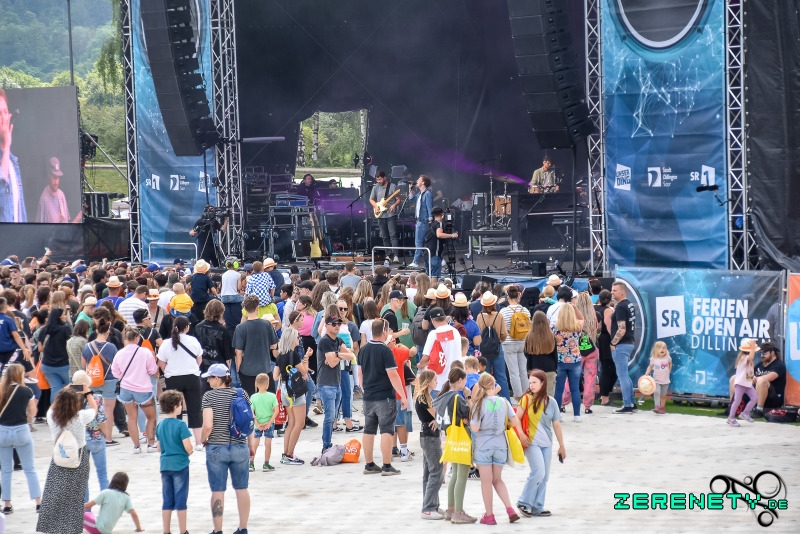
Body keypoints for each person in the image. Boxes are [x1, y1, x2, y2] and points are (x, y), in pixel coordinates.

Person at [200, 363, 253, 534]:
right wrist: (251, 445)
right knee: (242, 488)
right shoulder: (241, 393)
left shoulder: (209, 396)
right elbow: (250, 421)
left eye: (210, 378)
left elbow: (208, 425)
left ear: (217, 378)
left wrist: (202, 440)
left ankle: (218, 530)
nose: (208, 381)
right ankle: (243, 528)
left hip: (216, 448)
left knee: (218, 491)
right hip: (239, 446)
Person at [36, 387, 98, 534]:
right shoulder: (80, 417)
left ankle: (52, 527)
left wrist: (63, 391)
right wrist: (88, 393)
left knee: (55, 493)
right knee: (76, 496)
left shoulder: (52, 416)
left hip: (59, 457)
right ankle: (71, 528)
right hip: (79, 458)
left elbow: (51, 408)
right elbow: (94, 409)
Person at [469, 372, 526, 525]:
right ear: (493, 385)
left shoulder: (478, 404)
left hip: (484, 446)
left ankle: (489, 515)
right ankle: (510, 509)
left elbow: (475, 428)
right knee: (498, 480)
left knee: (486, 482)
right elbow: (514, 421)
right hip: (501, 445)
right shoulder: (503, 401)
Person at [358, 318, 408, 476]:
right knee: (386, 429)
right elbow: (393, 374)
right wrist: (403, 396)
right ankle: (387, 465)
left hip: (368, 396)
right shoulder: (385, 351)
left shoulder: (363, 350)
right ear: (385, 332)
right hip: (384, 396)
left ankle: (369, 464)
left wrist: (363, 388)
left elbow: (360, 373)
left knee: (369, 429)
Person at [515, 370, 565, 518]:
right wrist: (521, 434)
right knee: (538, 472)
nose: (531, 385)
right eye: (530, 382)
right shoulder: (526, 399)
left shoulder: (552, 402)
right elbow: (516, 419)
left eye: (534, 382)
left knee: (545, 477)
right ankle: (524, 502)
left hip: (547, 444)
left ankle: (537, 507)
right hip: (531, 442)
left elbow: (556, 425)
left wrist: (561, 446)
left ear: (543, 383)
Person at [432, 367, 476, 524]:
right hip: (462, 438)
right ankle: (458, 512)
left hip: (450, 437)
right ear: (460, 380)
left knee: (455, 475)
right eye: (465, 381)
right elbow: (471, 414)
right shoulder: (457, 397)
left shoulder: (442, 397)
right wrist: (468, 396)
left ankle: (450, 510)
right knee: (461, 475)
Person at [0, 363, 41, 514]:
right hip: (21, 429)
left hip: (3, 431)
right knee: (30, 468)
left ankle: (7, 504)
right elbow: (33, 412)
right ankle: (38, 502)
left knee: (6, 470)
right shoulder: (27, 391)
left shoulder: (1, 390)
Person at [157, 315, 204, 448]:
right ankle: (198, 442)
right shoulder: (193, 340)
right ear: (187, 327)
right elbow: (199, 360)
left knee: (173, 409)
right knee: (195, 409)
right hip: (191, 377)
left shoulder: (166, 343)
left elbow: (161, 362)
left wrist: (168, 372)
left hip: (173, 378)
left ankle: (176, 441)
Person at [111, 326, 159, 453]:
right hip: (143, 388)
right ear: (137, 338)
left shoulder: (119, 354)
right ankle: (151, 444)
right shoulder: (145, 352)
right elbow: (152, 370)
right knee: (151, 417)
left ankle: (136, 446)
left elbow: (115, 372)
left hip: (126, 389)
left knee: (132, 418)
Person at [156, 390, 193, 534]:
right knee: (181, 499)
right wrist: (190, 451)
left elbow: (159, 448)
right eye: (180, 404)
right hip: (180, 465)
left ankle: (166, 531)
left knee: (167, 500)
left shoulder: (160, 425)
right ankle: (183, 531)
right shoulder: (181, 425)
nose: (181, 407)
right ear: (175, 406)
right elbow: (187, 446)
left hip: (165, 465)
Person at [274, 328, 311, 465]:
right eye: (297, 337)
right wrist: (306, 358)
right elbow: (304, 371)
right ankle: (289, 454)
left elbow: (275, 376)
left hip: (285, 389)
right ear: (291, 339)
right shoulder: (293, 355)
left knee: (291, 423)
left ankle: (286, 453)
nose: (298, 339)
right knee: (299, 423)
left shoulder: (280, 355)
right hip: (296, 390)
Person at [317, 313, 353, 453]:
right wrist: (338, 356)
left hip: (336, 383)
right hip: (326, 383)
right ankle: (326, 445)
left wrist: (337, 354)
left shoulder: (338, 340)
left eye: (339, 324)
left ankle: (328, 444)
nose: (337, 326)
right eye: (334, 324)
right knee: (330, 416)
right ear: (326, 326)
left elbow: (351, 355)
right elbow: (331, 363)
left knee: (332, 417)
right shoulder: (325, 341)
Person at [413, 369, 443, 519]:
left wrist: (438, 420)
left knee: (429, 472)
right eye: (435, 379)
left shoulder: (426, 397)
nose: (437, 382)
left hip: (427, 436)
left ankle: (432, 504)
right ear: (429, 381)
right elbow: (440, 415)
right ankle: (428, 507)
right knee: (437, 471)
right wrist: (439, 420)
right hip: (430, 437)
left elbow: (437, 417)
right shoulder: (424, 398)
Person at [234, 295, 279, 396]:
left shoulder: (240, 328)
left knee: (249, 399)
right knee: (268, 398)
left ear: (245, 309)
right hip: (265, 368)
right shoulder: (267, 324)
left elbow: (238, 352)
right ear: (257, 308)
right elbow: (274, 345)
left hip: (247, 369)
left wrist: (238, 368)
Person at [418, 307, 464, 394]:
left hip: (437, 382)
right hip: (454, 380)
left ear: (432, 320)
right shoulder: (455, 332)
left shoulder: (433, 334)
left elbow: (425, 358)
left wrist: (420, 365)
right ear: (444, 318)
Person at [552, 303, 584, 422]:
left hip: (560, 360)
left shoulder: (555, 328)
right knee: (575, 389)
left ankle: (558, 415)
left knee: (559, 389)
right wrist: (575, 308)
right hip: (575, 360)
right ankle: (577, 415)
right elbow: (582, 318)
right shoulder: (577, 326)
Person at [475, 291, 510, 399]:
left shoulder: (480, 316)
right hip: (497, 348)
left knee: (484, 375)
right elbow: (504, 334)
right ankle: (505, 400)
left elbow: (478, 333)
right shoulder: (499, 316)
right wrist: (499, 340)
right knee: (501, 375)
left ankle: (485, 399)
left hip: (484, 348)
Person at [499, 285, 531, 400]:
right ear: (519, 296)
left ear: (508, 297)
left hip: (509, 342)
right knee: (523, 371)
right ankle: (527, 395)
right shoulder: (525, 311)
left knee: (513, 372)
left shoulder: (504, 311)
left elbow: (502, 328)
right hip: (523, 342)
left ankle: (518, 396)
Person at [610, 281, 636, 414]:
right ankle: (632, 402)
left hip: (621, 344)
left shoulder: (621, 307)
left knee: (622, 375)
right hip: (629, 342)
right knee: (625, 375)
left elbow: (622, 329)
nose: (612, 292)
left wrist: (613, 343)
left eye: (614, 290)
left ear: (622, 292)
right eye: (612, 290)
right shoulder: (629, 304)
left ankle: (627, 405)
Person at [0, 89, 26, 222]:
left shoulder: (13, 161)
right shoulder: (5, 157)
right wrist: (6, 147)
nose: (3, 118)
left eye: (5, 112)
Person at [38, 307, 73, 395]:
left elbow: (40, 349)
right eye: (64, 315)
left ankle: (55, 404)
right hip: (63, 364)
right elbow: (69, 346)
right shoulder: (65, 329)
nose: (65, 316)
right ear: (59, 317)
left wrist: (50, 348)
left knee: (55, 389)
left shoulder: (44, 330)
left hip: (47, 365)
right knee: (72, 387)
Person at [249, 373, 279, 472]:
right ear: (268, 384)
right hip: (269, 424)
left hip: (258, 423)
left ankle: (251, 463)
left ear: (256, 384)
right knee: (268, 443)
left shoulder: (253, 397)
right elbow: (276, 410)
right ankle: (266, 464)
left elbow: (251, 412)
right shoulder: (272, 396)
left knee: (255, 443)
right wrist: (270, 422)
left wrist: (257, 423)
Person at [369, 170, 402, 263]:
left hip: (390, 214)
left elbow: (398, 199)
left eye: (380, 179)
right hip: (380, 215)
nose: (378, 181)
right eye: (377, 180)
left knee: (393, 235)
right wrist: (376, 207)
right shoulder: (376, 187)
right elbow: (371, 199)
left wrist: (394, 205)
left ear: (384, 178)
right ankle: (388, 255)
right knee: (384, 236)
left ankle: (396, 255)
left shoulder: (393, 186)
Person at [524, 310, 558, 396]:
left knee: (536, 395)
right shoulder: (551, 335)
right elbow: (555, 354)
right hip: (549, 367)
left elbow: (526, 353)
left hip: (534, 367)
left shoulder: (529, 336)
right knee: (549, 396)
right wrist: (555, 367)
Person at [727, 339, 758, 426]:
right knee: (737, 400)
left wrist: (752, 377)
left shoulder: (748, 359)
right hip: (740, 384)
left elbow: (747, 371)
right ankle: (731, 417)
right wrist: (752, 347)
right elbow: (750, 357)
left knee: (755, 398)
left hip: (748, 383)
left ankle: (745, 413)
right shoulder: (743, 357)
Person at [752, 341, 787, 418]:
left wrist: (754, 378)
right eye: (760, 353)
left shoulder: (779, 365)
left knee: (761, 380)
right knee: (734, 378)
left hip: (774, 398)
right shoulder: (759, 365)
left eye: (764, 353)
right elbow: (748, 375)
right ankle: (733, 407)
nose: (762, 355)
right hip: (757, 394)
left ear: (772, 352)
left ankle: (759, 410)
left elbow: (770, 377)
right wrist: (751, 377)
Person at [423, 206, 458, 281]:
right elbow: (439, 235)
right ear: (442, 215)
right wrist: (452, 235)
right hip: (435, 254)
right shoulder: (439, 224)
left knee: (428, 277)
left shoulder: (430, 224)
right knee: (434, 277)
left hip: (427, 253)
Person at [407, 174, 434, 268]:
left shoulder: (427, 194)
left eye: (419, 179)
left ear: (423, 182)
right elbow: (411, 199)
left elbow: (430, 207)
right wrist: (410, 189)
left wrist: (430, 219)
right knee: (427, 242)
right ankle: (438, 258)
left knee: (419, 242)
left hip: (424, 221)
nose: (417, 181)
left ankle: (416, 261)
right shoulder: (420, 194)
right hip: (420, 221)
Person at [595, 290, 616, 406]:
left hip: (597, 340)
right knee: (608, 369)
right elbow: (609, 328)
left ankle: (604, 394)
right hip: (605, 340)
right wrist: (615, 341)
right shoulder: (607, 310)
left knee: (607, 369)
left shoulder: (594, 308)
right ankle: (604, 397)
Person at [0, 296, 31, 370]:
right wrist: (24, 349)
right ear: (6, 307)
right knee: (9, 370)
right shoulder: (8, 320)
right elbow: (16, 335)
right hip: (9, 350)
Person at [37, 157, 71, 223]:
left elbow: (66, 221)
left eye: (58, 178)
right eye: (54, 177)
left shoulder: (61, 195)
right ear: (49, 175)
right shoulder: (44, 199)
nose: (56, 182)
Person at [643, 341, 672, 414]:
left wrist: (669, 371)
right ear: (656, 350)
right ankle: (657, 406)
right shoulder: (654, 359)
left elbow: (670, 363)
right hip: (656, 380)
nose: (662, 350)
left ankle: (662, 408)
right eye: (660, 348)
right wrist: (646, 374)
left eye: (664, 348)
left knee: (663, 395)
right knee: (657, 392)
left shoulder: (668, 358)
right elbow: (650, 367)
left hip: (665, 380)